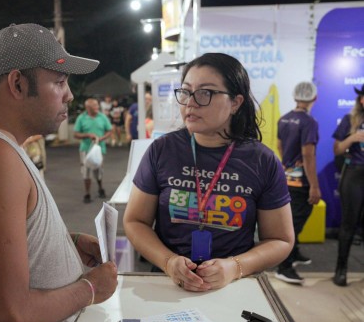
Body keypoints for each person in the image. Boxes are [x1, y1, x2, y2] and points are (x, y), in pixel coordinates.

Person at [0, 23, 117, 322]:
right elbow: (12, 317)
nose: (69, 95)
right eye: (59, 82)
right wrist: (91, 288)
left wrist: (66, 241)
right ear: (17, 84)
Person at [123, 53, 294, 292]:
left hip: (233, 286)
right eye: (186, 92)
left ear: (236, 102)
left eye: (206, 92)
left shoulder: (261, 160)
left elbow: (280, 239)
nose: (191, 102)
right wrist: (168, 261)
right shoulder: (162, 151)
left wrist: (235, 267)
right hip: (169, 282)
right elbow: (135, 221)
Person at [274, 81, 321, 285]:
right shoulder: (309, 122)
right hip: (301, 182)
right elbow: (308, 155)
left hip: (286, 178)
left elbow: (279, 146)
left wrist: (289, 167)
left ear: (295, 97)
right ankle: (284, 267)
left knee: (293, 219)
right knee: (296, 222)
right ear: (314, 98)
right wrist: (315, 186)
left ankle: (295, 252)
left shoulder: (284, 119)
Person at [332, 84, 364, 287]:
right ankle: (340, 270)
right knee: (349, 224)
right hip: (354, 174)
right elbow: (337, 150)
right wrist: (351, 138)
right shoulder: (350, 120)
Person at [73, 98, 112, 203]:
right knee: (86, 171)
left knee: (98, 170)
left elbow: (109, 130)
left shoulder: (102, 117)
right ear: (88, 108)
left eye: (97, 105)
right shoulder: (81, 118)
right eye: (95, 106)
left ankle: (100, 188)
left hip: (99, 149)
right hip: (85, 149)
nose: (97, 108)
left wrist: (101, 138)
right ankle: (87, 193)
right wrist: (87, 135)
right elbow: (75, 134)